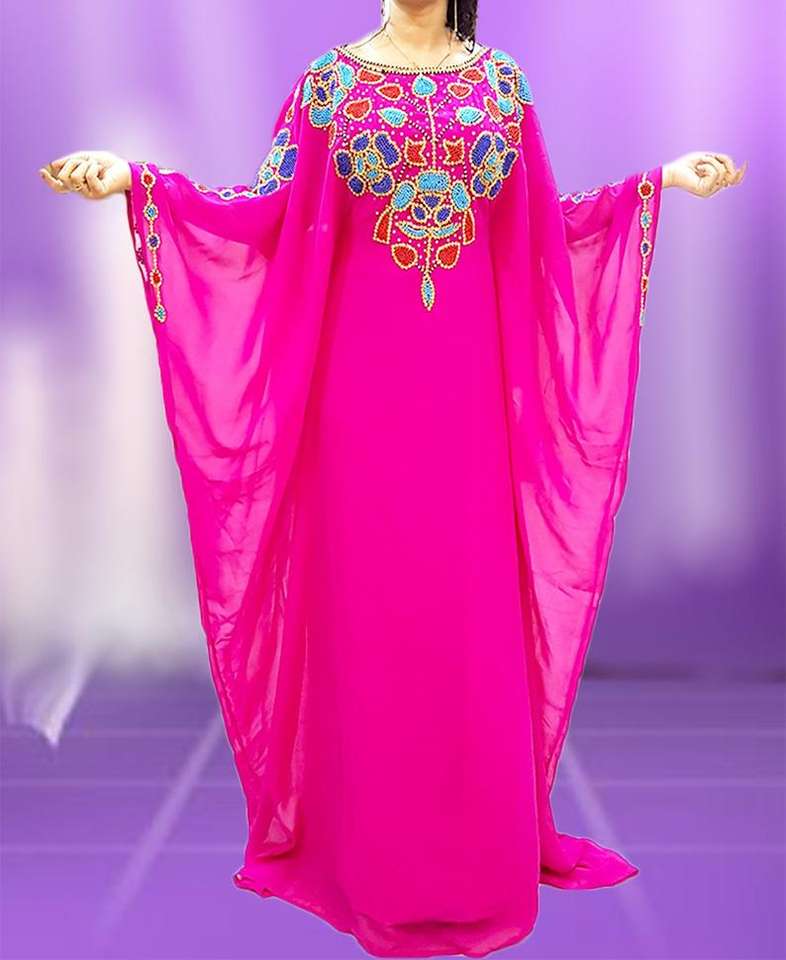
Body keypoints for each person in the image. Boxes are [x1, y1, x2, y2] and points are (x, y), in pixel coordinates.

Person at [38, 1, 746, 957]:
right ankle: (372, 859)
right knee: (372, 614)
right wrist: (139, 181)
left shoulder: (500, 88)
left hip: (468, 399)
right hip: (357, 396)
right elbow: (263, 210)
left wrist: (653, 185)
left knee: (465, 615)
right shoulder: (331, 86)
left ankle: (476, 857)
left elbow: (543, 226)